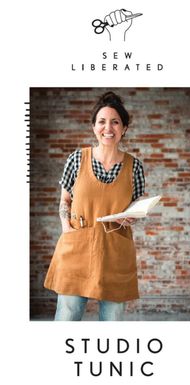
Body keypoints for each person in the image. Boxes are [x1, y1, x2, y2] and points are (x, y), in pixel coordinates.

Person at [44, 91, 145, 321]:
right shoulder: (76, 159)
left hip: (115, 251)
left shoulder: (135, 166)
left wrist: (132, 216)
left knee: (113, 319)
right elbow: (65, 200)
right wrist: (65, 227)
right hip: (77, 247)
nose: (108, 128)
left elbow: (136, 205)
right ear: (94, 127)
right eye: (102, 121)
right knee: (67, 317)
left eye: (115, 122)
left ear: (124, 128)